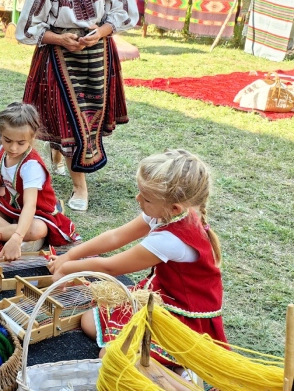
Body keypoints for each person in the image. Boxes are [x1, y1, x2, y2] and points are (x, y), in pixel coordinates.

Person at [48, 149, 227, 367]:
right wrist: (69, 255)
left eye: (146, 198)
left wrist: (68, 268)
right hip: (161, 296)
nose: (138, 198)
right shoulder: (166, 211)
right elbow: (115, 236)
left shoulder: (171, 239)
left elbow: (111, 267)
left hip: (184, 317)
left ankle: (178, 371)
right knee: (89, 322)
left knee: (111, 359)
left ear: (174, 207)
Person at [16, 0, 139, 213]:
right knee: (69, 120)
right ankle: (80, 186)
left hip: (98, 56)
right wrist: (61, 39)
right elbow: (26, 28)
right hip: (57, 57)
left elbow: (125, 13)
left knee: (88, 118)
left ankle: (61, 158)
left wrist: (103, 31)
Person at [0, 103, 79, 261]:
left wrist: (17, 237)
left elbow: (30, 206)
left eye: (20, 143)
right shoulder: (0, 154)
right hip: (11, 208)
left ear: (32, 139)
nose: (13, 148)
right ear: (0, 134)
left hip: (37, 214)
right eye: (8, 140)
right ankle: (21, 236)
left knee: (37, 229)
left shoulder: (31, 165)